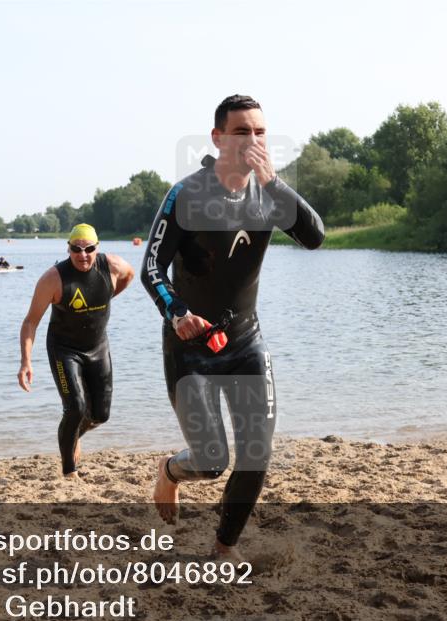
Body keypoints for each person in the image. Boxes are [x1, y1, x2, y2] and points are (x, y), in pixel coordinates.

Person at [140, 94, 324, 560]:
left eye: (260, 132)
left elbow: (314, 237)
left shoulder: (269, 195)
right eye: (242, 131)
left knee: (257, 454)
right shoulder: (187, 194)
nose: (253, 140)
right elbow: (152, 269)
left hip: (245, 341)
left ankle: (223, 547)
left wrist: (274, 183)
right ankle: (170, 473)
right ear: (218, 138)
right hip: (190, 348)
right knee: (211, 461)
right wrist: (177, 312)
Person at [18, 224, 135, 478]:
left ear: (97, 248)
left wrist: (107, 297)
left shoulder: (112, 266)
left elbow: (130, 275)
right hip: (64, 349)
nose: (83, 255)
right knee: (75, 408)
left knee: (100, 415)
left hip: (97, 346)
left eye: (89, 249)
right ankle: (69, 471)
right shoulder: (53, 279)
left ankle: (73, 434)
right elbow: (30, 322)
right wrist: (26, 361)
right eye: (76, 249)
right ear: (68, 249)